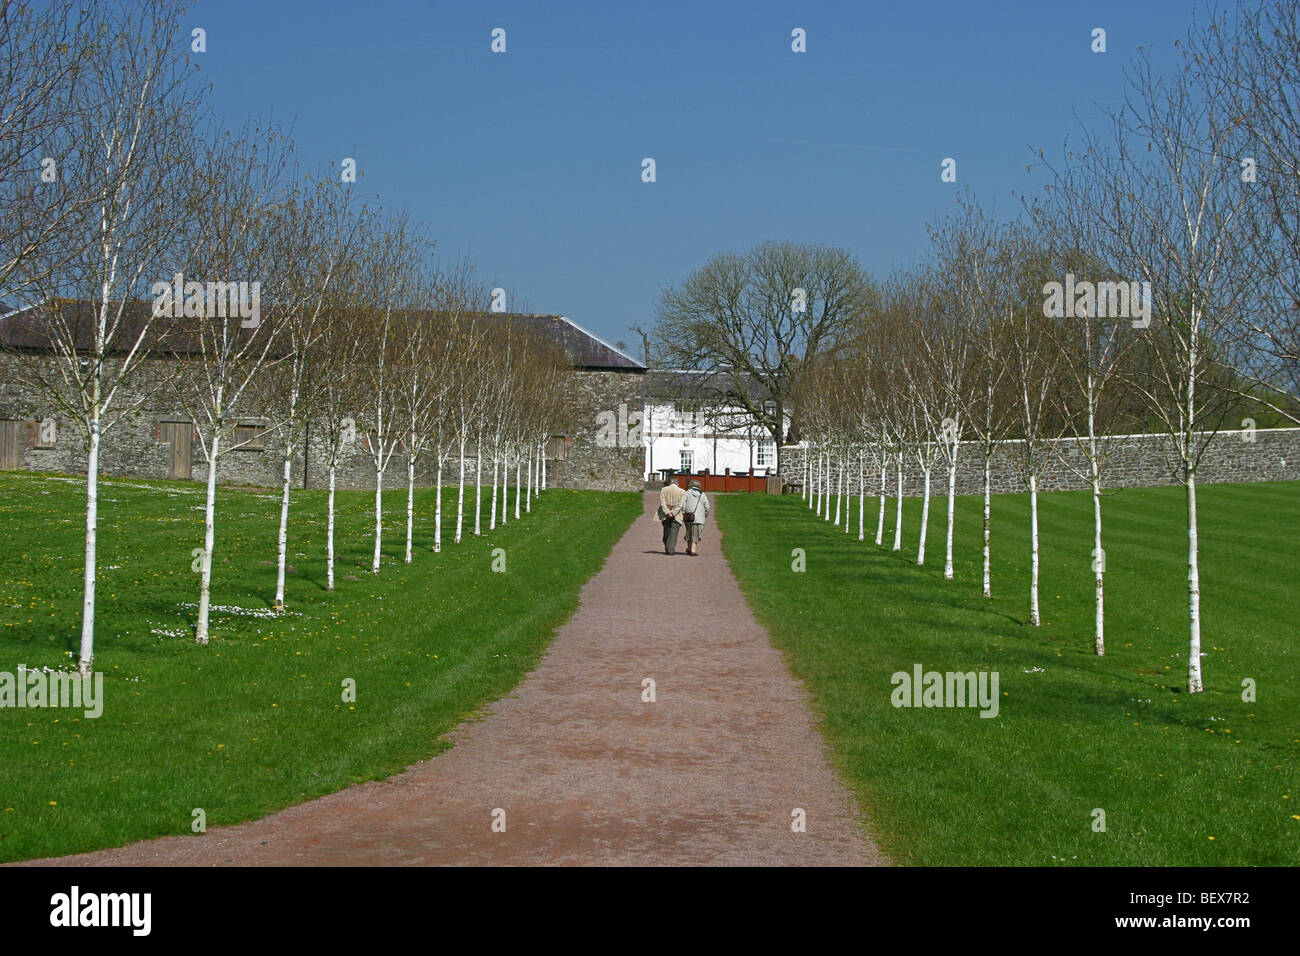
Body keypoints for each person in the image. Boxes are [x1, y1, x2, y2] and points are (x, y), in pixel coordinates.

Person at [657, 477, 686, 555]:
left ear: (670, 483)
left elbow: (662, 502)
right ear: (677, 483)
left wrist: (667, 512)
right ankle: (670, 550)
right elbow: (680, 505)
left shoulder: (664, 489)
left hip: (664, 514)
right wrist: (673, 513)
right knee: (673, 533)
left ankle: (668, 548)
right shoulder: (682, 491)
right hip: (677, 514)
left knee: (666, 531)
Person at [682, 479, 711, 556]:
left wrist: (683, 513)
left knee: (689, 533)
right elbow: (707, 507)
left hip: (689, 516)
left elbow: (683, 505)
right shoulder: (703, 494)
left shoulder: (687, 493)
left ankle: (689, 549)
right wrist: (704, 516)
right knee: (696, 534)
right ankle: (693, 551)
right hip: (700, 519)